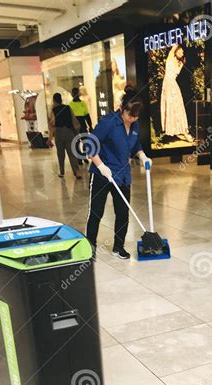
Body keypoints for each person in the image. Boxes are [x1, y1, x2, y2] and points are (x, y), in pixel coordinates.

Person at [85, 88, 152, 260]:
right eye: (130, 115)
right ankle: (89, 246)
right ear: (122, 108)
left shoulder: (135, 124)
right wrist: (100, 166)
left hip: (122, 176)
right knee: (96, 212)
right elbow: (90, 145)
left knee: (123, 212)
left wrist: (142, 155)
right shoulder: (108, 122)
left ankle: (118, 247)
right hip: (102, 174)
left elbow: (135, 144)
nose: (133, 119)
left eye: (136, 116)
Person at [160, 45, 194, 143]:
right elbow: (174, 45)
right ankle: (173, 131)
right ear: (176, 51)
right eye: (180, 51)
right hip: (167, 86)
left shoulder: (181, 63)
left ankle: (185, 132)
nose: (181, 53)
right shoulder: (170, 57)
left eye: (182, 52)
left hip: (173, 86)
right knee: (170, 108)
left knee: (178, 108)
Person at [48, 92, 81, 179]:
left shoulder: (53, 110)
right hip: (69, 132)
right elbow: (74, 121)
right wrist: (77, 133)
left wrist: (50, 138)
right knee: (72, 153)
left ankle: (62, 172)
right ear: (61, 100)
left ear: (54, 100)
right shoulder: (68, 108)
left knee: (61, 153)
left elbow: (52, 123)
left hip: (59, 133)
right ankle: (77, 171)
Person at [69, 87, 92, 164]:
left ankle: (84, 156)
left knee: (85, 141)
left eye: (76, 92)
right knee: (77, 142)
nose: (75, 94)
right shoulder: (70, 105)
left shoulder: (83, 104)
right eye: (74, 93)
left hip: (82, 124)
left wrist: (90, 125)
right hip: (74, 125)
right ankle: (79, 158)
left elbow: (87, 115)